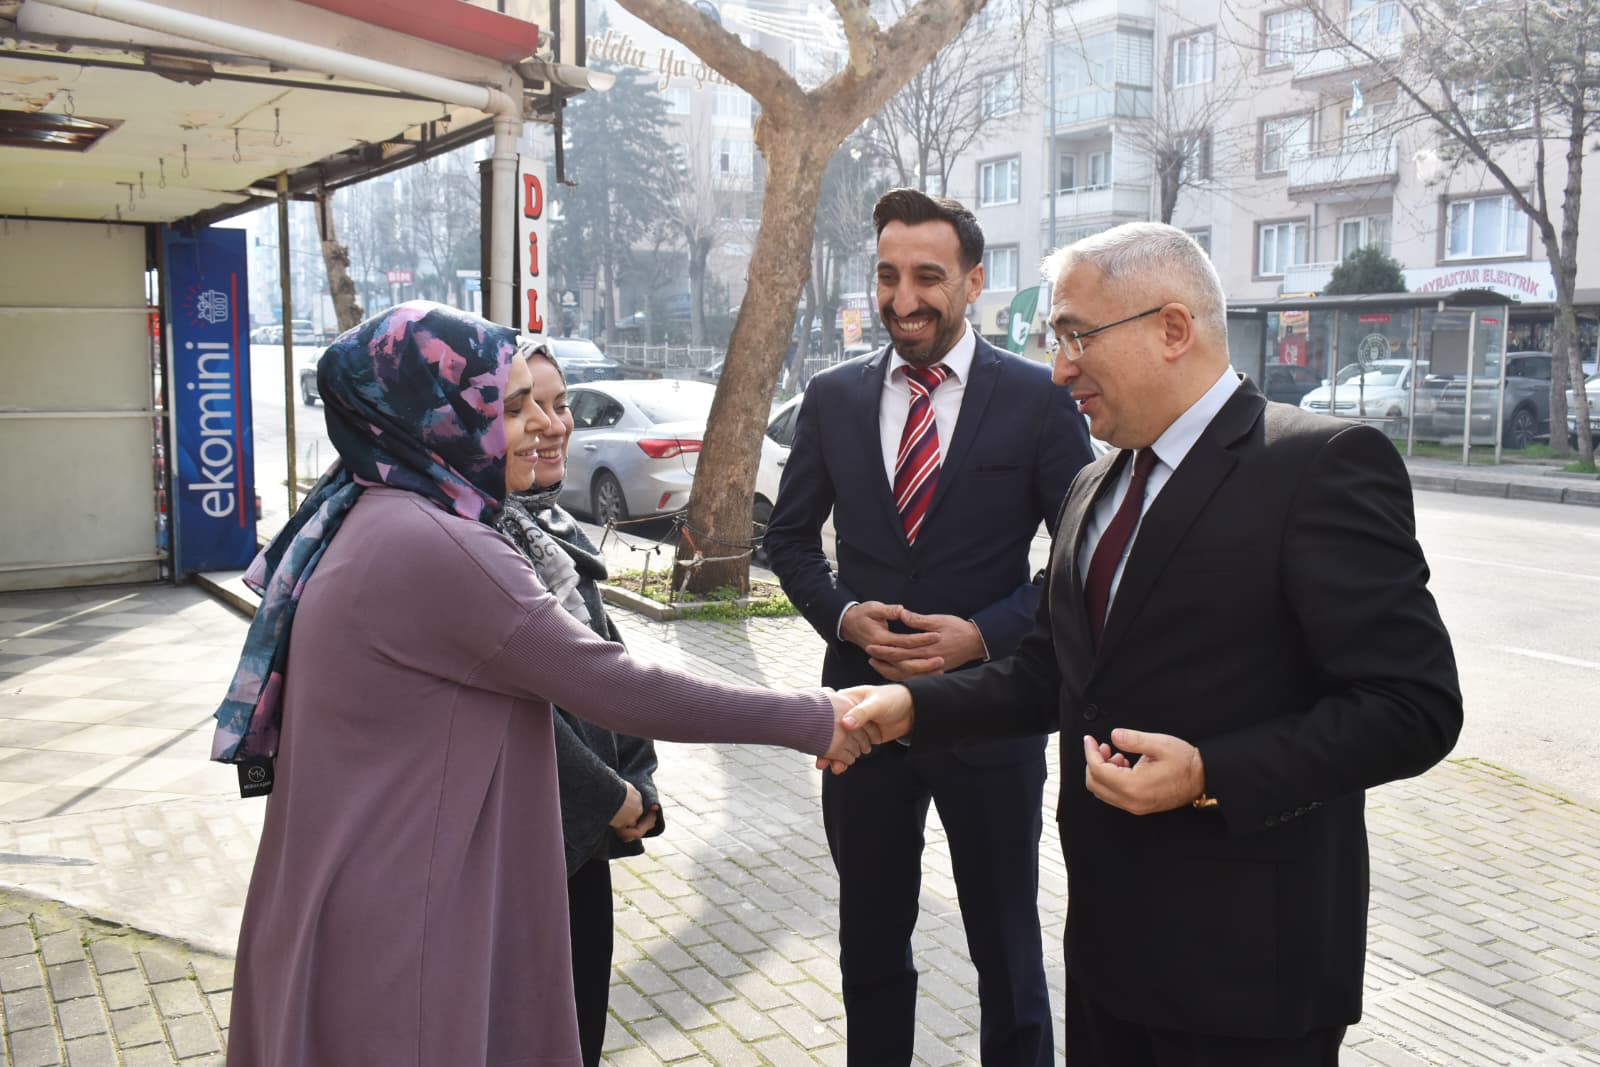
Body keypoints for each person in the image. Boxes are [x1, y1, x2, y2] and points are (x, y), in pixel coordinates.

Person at [838, 222, 1464, 1066]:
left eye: (1075, 337)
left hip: (1247, 979)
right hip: (1106, 960)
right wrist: (905, 707)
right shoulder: (1097, 482)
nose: (1059, 370)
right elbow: (1053, 676)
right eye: (1054, 340)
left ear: (1173, 328)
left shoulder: (1320, 465)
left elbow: (1414, 707)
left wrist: (1211, 773)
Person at [212, 301, 866, 1067]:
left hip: (350, 891)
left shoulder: (365, 512)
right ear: (438, 412)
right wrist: (815, 716)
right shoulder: (441, 544)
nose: (531, 425)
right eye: (508, 404)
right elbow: (614, 686)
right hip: (407, 916)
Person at [764, 188, 1094, 1067]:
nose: (903, 297)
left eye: (927, 277)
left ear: (974, 281)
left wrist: (981, 635)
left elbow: (1084, 555)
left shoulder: (1036, 400)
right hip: (862, 717)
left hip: (990, 717)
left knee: (1007, 952)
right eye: (887, 275)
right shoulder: (832, 398)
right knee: (869, 945)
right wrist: (839, 611)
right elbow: (789, 538)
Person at [493, 339, 661, 1067]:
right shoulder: (480, 543)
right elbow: (523, 710)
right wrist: (612, 794)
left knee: (580, 1029)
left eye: (558, 404)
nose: (550, 422)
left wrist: (640, 778)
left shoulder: (550, 533)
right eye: (520, 405)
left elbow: (611, 666)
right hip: (529, 841)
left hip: (582, 841)